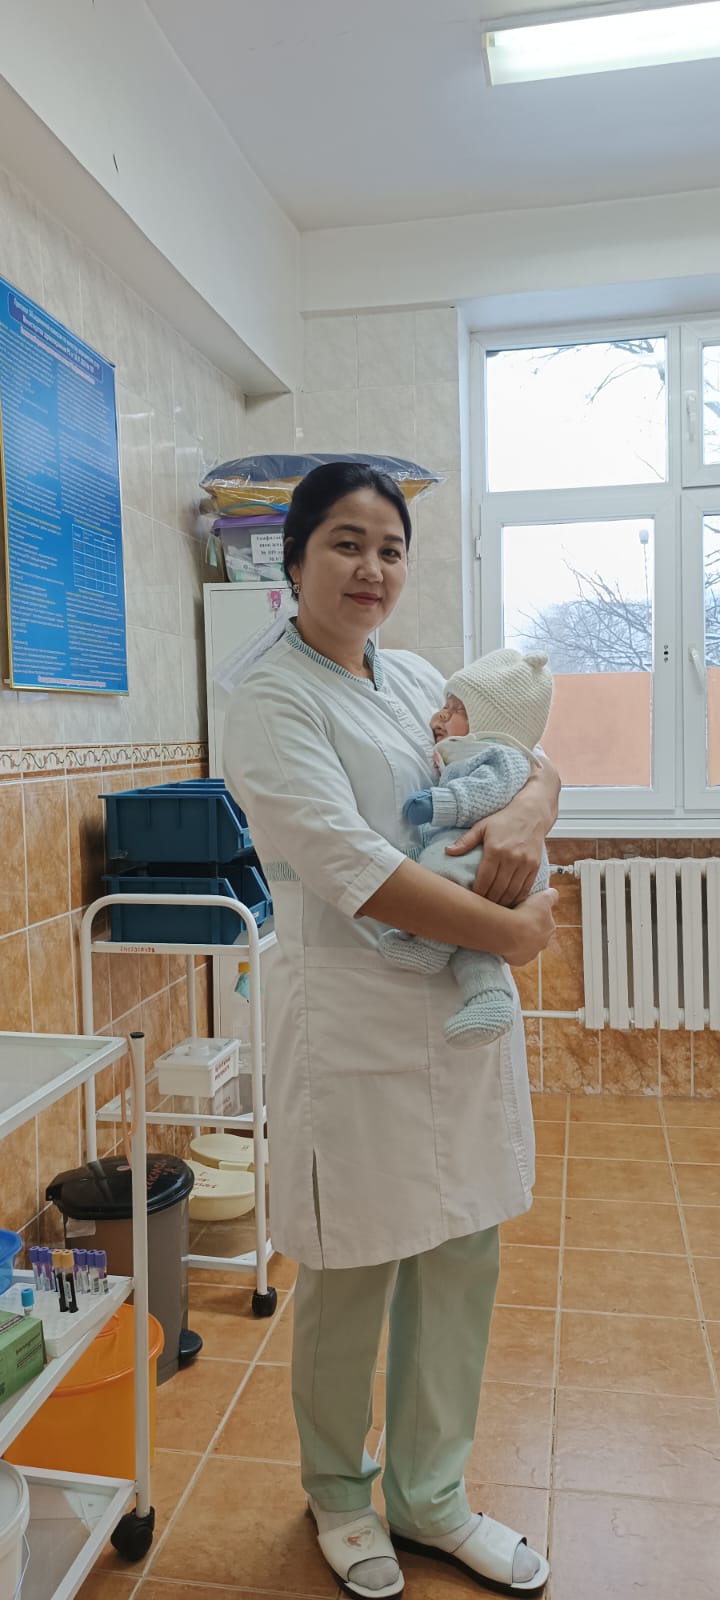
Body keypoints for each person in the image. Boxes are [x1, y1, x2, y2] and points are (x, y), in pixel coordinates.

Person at [223, 461, 559, 1600]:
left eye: (391, 548)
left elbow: (528, 758)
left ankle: (432, 1498)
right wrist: (512, 933)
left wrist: (525, 813)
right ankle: (339, 1494)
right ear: (295, 560)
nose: (372, 568)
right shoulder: (272, 698)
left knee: (461, 1256)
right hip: (351, 1025)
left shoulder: (415, 676)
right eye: (347, 543)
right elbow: (356, 868)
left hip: (454, 1026)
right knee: (351, 1265)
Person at [379, 648, 552, 1048]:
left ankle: (429, 943)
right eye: (444, 707)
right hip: (487, 861)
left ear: (490, 724)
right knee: (473, 938)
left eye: (455, 710)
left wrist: (439, 803)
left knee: (441, 873)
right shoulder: (470, 752)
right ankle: (489, 997)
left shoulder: (499, 754)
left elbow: (489, 791)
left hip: (486, 857)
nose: (438, 718)